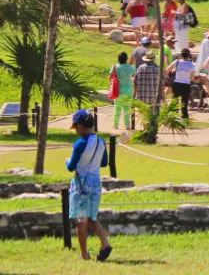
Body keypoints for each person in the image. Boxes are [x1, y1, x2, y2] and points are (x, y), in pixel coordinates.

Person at [65, 109, 112, 262]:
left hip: (81, 184)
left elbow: (71, 167)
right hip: (95, 183)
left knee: (80, 220)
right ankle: (105, 243)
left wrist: (67, 161)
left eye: (77, 127)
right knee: (92, 218)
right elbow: (104, 162)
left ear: (81, 126)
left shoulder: (80, 143)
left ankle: (84, 254)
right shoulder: (100, 141)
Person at [109, 52, 135, 131]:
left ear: (118, 59)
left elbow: (110, 78)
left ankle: (115, 125)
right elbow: (134, 75)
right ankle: (127, 125)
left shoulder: (114, 67)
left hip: (117, 91)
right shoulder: (130, 68)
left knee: (117, 108)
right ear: (126, 59)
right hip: (128, 91)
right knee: (127, 109)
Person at [166, 48, 195, 119]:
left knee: (174, 101)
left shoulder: (177, 62)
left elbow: (167, 70)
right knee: (184, 104)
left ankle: (172, 118)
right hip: (186, 84)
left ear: (181, 55)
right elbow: (192, 78)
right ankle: (184, 119)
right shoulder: (191, 65)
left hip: (177, 84)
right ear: (189, 55)